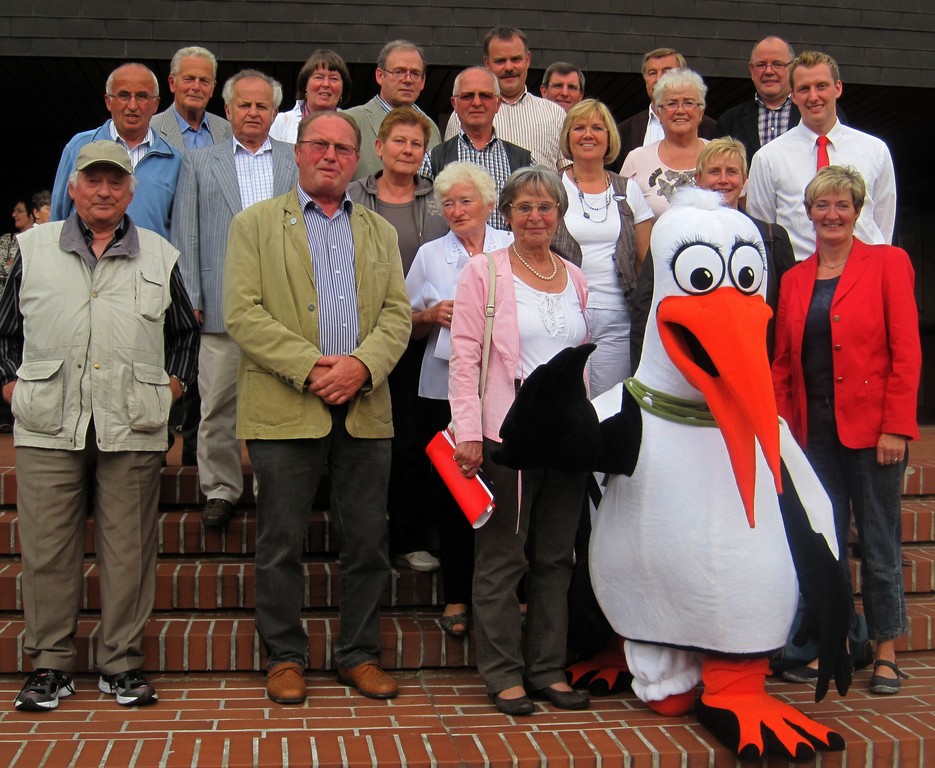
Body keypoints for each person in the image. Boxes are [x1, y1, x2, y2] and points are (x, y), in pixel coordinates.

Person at [1, 141, 198, 712]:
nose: (104, 191)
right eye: (93, 181)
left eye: (115, 181)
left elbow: (184, 336)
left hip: (132, 423)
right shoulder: (31, 250)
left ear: (131, 191)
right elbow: (4, 331)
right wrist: (11, 384)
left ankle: (121, 664)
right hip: (47, 422)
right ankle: (50, 666)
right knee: (45, 550)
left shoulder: (160, 254)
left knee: (129, 550)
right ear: (73, 187)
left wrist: (173, 389)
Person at [223, 111, 411, 705]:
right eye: (318, 146)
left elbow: (397, 315)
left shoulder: (378, 231)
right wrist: (311, 367)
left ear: (358, 160)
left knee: (368, 540)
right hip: (285, 403)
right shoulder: (254, 224)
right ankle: (284, 655)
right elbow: (243, 312)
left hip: (364, 403)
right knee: (280, 539)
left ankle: (358, 653)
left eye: (342, 148)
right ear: (298, 154)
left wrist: (360, 367)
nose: (330, 155)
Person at [771, 165, 921, 695]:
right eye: (822, 206)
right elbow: (784, 364)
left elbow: (907, 351)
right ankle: (831, 645)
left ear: (858, 212)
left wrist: (897, 427)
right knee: (825, 543)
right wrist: (781, 427)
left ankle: (885, 652)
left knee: (878, 542)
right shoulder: (794, 279)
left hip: (874, 428)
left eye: (843, 205)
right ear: (808, 213)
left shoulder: (888, 263)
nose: (832, 215)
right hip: (813, 431)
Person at [449, 166, 590, 715]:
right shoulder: (484, 271)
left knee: (556, 557)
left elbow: (582, 362)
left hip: (568, 438)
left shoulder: (575, 275)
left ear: (560, 213)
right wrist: (467, 433)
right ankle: (504, 673)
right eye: (525, 207)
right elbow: (465, 358)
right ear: (508, 214)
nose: (536, 217)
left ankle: (548, 669)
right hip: (508, 436)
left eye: (547, 207)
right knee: (504, 558)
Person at [170, 69, 297, 528]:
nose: (253, 112)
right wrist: (193, 296)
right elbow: (186, 232)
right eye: (244, 104)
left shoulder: (295, 160)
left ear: (274, 113)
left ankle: (272, 488)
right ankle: (220, 489)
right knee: (217, 404)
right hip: (220, 304)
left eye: (262, 106)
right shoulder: (199, 162)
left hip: (283, 308)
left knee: (279, 405)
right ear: (228, 110)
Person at [405, 162, 513, 638]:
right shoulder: (430, 254)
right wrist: (430, 314)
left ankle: (510, 597)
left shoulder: (510, 247)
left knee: (508, 492)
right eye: (447, 202)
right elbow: (403, 320)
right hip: (443, 385)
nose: (456, 210)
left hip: (504, 388)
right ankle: (456, 597)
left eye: (466, 200)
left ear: (488, 204)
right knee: (456, 493)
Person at [347, 106, 448, 572]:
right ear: (379, 147)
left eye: (416, 145)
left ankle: (410, 538)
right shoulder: (352, 197)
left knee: (410, 441)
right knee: (359, 445)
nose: (407, 151)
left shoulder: (438, 202)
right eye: (399, 142)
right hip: (359, 338)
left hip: (422, 340)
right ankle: (359, 542)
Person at [630, 138, 796, 368]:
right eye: (714, 172)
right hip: (692, 368)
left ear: (745, 179)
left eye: (732, 172)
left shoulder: (772, 237)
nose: (723, 180)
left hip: (755, 366)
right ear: (698, 179)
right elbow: (645, 306)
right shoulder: (675, 234)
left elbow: (787, 315)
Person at [746, 51, 896, 262]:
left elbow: (883, 223)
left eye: (821, 86)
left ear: (838, 88)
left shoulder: (875, 150)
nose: (813, 96)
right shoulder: (768, 158)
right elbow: (764, 232)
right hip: (798, 275)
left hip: (865, 272)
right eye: (804, 89)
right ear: (794, 96)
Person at [551, 99, 653, 394]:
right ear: (568, 136)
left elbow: (644, 261)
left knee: (611, 404)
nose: (588, 134)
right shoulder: (551, 186)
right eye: (579, 127)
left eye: (597, 128)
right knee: (567, 402)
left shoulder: (628, 189)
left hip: (617, 319)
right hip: (564, 315)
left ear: (609, 137)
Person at [51, 63, 183, 239]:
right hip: (86, 262)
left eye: (142, 96)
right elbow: (57, 217)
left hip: (148, 264)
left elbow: (180, 230)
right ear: (108, 101)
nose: (133, 105)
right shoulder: (79, 146)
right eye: (124, 95)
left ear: (156, 104)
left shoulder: (174, 161)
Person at [444, 27, 566, 170]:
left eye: (515, 59)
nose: (509, 67)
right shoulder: (463, 114)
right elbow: (449, 170)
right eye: (500, 61)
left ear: (528, 59)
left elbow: (568, 174)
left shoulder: (555, 114)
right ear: (487, 63)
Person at [429, 67, 533, 230]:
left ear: (498, 103)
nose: (476, 102)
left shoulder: (524, 161)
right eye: (467, 96)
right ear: (454, 103)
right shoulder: (432, 159)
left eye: (485, 95)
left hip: (507, 254)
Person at [345, 40, 441, 180]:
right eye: (399, 72)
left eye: (415, 73)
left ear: (423, 81)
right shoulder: (351, 121)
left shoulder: (432, 129)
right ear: (379, 75)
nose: (408, 79)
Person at [621, 69, 710, 218]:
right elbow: (623, 221)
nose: (680, 110)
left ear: (701, 112)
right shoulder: (636, 160)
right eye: (671, 104)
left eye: (689, 103)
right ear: (659, 112)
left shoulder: (721, 155)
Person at [615, 48, 717, 170]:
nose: (658, 79)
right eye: (652, 73)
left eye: (666, 71)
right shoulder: (624, 131)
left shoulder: (713, 129)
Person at [150, 46, 232, 151]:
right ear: (172, 83)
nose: (196, 87)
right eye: (189, 79)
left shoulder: (228, 131)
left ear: (212, 88)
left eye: (204, 81)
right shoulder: (150, 129)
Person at [270, 49, 351, 143]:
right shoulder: (280, 123)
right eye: (319, 77)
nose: (326, 84)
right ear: (305, 85)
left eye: (333, 78)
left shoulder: (353, 125)